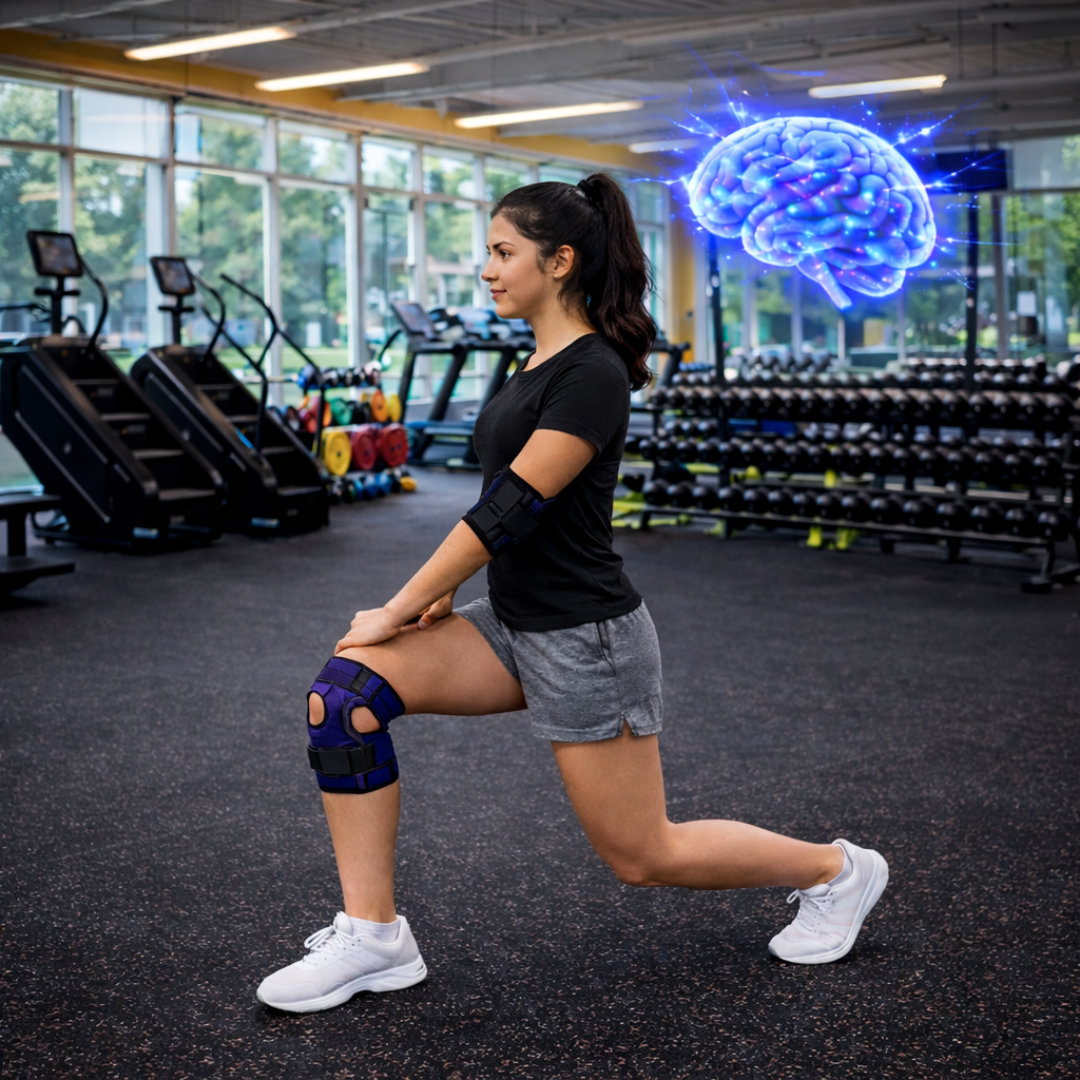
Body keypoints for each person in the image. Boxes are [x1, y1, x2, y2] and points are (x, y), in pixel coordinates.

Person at [256, 175, 889, 1014]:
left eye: (502, 252)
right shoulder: (535, 360)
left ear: (559, 262)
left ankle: (837, 870)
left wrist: (404, 601)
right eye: (488, 250)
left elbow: (512, 507)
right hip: (512, 623)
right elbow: (503, 507)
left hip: (586, 637)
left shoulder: (593, 372)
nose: (485, 268)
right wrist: (444, 599)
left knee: (642, 854)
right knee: (345, 697)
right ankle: (374, 935)